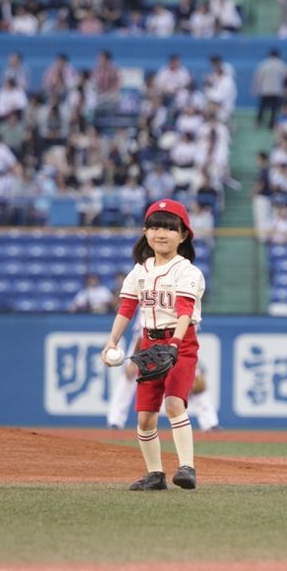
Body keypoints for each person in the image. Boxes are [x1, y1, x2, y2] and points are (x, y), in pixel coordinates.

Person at [101, 199, 206, 491]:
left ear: (183, 235)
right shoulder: (139, 271)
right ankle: (155, 474)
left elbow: (185, 311)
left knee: (174, 403)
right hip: (149, 342)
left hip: (180, 342)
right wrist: (112, 341)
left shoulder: (187, 271)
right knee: (145, 416)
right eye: (156, 226)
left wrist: (174, 343)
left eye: (170, 228)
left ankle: (186, 467)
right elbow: (126, 309)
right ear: (145, 231)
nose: (162, 233)